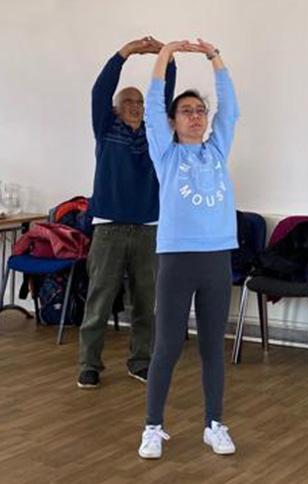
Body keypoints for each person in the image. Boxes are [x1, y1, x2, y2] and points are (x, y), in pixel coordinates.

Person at [137, 38, 240, 459]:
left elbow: (230, 109)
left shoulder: (217, 150)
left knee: (212, 345)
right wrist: (166, 57)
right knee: (168, 345)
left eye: (200, 111)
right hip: (177, 257)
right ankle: (152, 427)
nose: (195, 117)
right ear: (173, 121)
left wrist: (216, 59)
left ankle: (214, 424)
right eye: (187, 111)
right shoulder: (166, 153)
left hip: (217, 257)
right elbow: (150, 105)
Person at [78, 36, 176, 389]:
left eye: (139, 101)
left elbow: (165, 92)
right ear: (117, 108)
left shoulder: (156, 134)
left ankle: (140, 361)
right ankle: (89, 364)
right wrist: (126, 53)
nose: (135, 105)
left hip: (149, 229)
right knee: (99, 301)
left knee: (145, 303)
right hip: (109, 229)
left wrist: (166, 56)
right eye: (128, 101)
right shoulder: (106, 130)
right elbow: (99, 91)